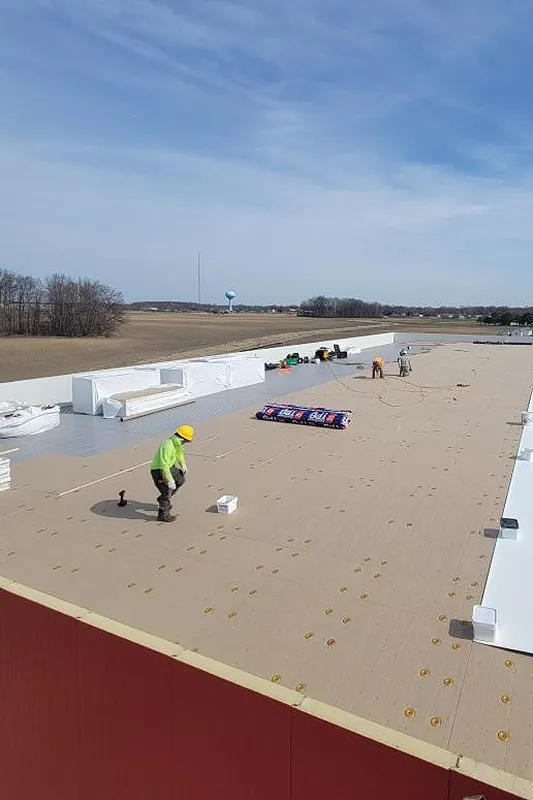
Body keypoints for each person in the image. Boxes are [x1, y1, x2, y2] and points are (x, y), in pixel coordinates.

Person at [150, 425, 194, 522]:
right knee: (167, 491)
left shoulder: (178, 444)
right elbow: (163, 465)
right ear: (183, 438)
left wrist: (182, 464)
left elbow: (179, 453)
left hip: (170, 467)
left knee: (180, 480)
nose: (186, 443)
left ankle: (163, 499)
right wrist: (169, 480)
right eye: (186, 441)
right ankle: (163, 515)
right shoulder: (167, 445)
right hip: (159, 470)